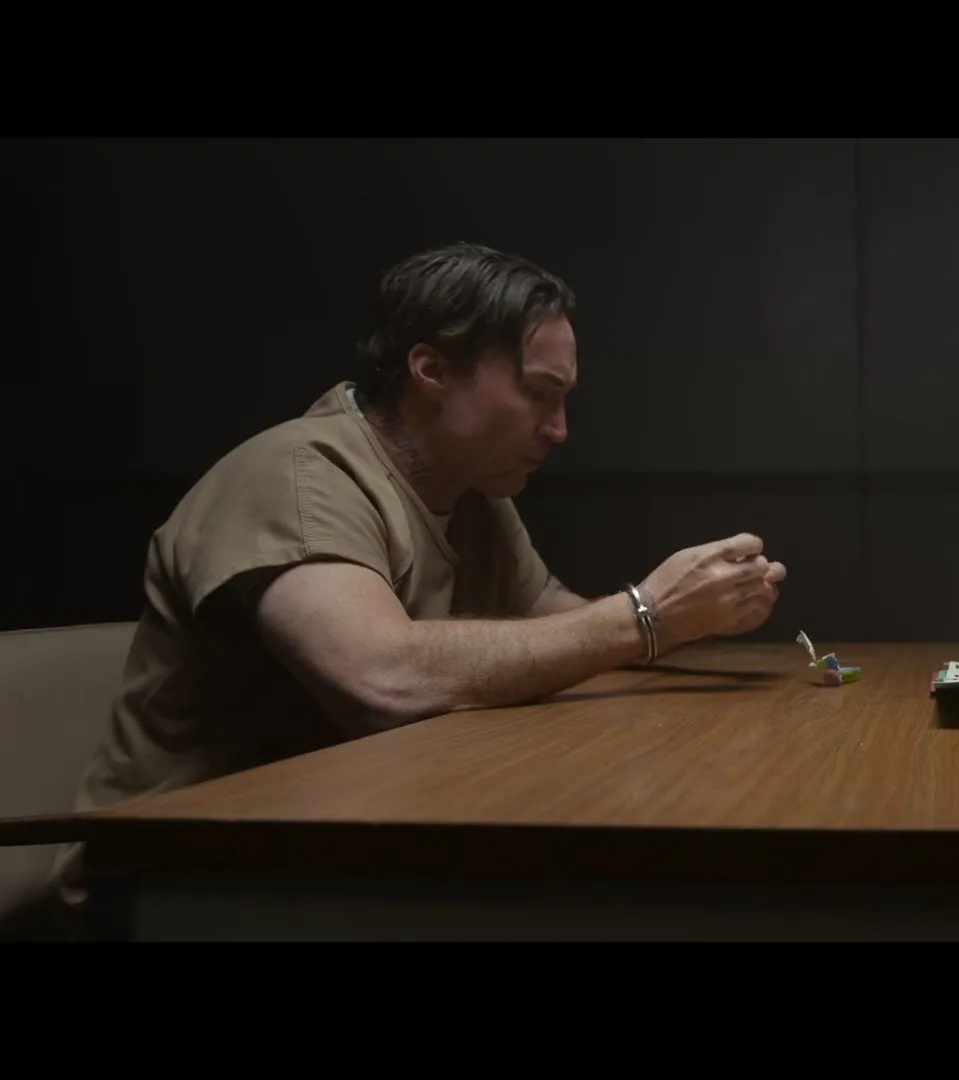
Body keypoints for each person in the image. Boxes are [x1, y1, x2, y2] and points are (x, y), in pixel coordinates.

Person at [49, 242, 787, 930]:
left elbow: (563, 622)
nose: (559, 429)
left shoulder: (473, 493)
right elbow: (380, 678)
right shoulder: (299, 477)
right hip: (167, 877)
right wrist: (648, 613)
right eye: (539, 393)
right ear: (431, 370)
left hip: (334, 846)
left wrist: (691, 611)